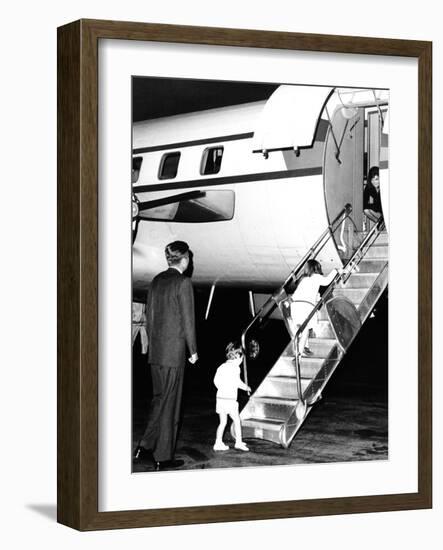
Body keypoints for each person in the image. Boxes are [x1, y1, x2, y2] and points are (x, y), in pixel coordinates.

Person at [134, 240, 198, 471]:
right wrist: (193, 351)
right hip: (173, 355)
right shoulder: (183, 283)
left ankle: (144, 446)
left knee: (158, 401)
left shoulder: (156, 281)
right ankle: (163, 457)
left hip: (157, 354)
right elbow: (188, 321)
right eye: (189, 258)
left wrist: (153, 346)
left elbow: (150, 319)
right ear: (185, 259)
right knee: (171, 405)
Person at [290, 259, 339, 357]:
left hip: (295, 305)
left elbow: (307, 293)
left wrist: (317, 297)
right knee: (305, 330)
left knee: (302, 328)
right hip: (305, 306)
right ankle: (299, 353)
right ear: (317, 268)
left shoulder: (303, 279)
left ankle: (305, 347)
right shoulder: (316, 277)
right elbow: (327, 281)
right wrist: (336, 270)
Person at [213, 342, 251, 452]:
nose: (242, 361)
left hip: (220, 399)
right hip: (230, 400)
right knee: (237, 420)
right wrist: (246, 387)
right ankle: (238, 442)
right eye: (242, 358)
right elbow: (237, 382)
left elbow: (215, 381)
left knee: (222, 422)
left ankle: (218, 442)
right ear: (238, 357)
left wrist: (222, 388)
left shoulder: (221, 367)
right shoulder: (235, 368)